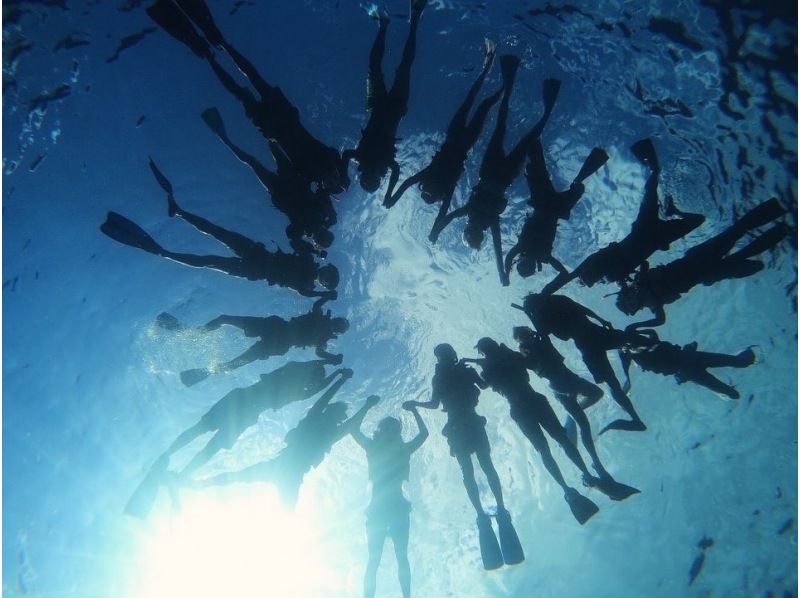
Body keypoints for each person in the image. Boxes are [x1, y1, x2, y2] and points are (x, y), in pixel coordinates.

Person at [146, 0, 349, 193]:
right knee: (253, 78)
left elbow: (289, 170)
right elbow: (344, 156)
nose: (330, 178)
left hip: (272, 126)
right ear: (337, 174)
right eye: (335, 178)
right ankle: (221, 45)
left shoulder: (309, 177)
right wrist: (342, 173)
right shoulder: (330, 158)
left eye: (330, 183)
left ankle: (208, 54)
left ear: (324, 186)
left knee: (240, 92)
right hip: (284, 115)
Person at [124, 362, 352, 518]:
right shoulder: (290, 373)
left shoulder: (293, 388)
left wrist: (335, 376)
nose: (311, 380)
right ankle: (172, 460)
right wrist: (334, 375)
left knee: (210, 442)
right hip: (241, 404)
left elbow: (315, 393)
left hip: (245, 411)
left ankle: (182, 474)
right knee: (203, 432)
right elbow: (317, 392)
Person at [100, 159, 339, 299]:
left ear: (323, 284)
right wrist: (314, 250)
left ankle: (164, 252)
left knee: (209, 260)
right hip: (257, 253)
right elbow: (295, 240)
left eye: (326, 281)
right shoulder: (309, 260)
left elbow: (305, 293)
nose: (323, 278)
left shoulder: (308, 286)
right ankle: (180, 212)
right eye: (328, 276)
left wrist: (322, 295)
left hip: (252, 269)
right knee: (217, 232)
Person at [473, 338, 638, 526]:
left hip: (519, 409)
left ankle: (567, 489)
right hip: (535, 400)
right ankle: (586, 474)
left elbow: (483, 384)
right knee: (563, 440)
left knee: (544, 450)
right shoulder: (510, 357)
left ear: (484, 352)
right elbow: (529, 362)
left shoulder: (488, 369)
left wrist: (481, 365)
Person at [428, 55, 561, 285]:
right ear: (476, 234)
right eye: (474, 235)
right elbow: (499, 252)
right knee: (511, 130)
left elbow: (452, 218)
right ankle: (518, 88)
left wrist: (437, 232)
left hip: (498, 174)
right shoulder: (483, 219)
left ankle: (522, 92)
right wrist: (502, 273)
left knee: (517, 133)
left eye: (471, 233)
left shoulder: (480, 217)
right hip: (494, 172)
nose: (474, 230)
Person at [404, 343, 524, 570]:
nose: (445, 358)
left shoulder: (445, 376)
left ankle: (490, 511)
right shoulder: (454, 374)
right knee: (477, 467)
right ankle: (492, 510)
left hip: (461, 424)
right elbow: (485, 385)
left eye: (444, 355)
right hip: (465, 422)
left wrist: (415, 404)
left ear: (442, 358)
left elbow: (434, 403)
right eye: (444, 355)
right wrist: (481, 365)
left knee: (473, 468)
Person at [542, 138, 705, 294]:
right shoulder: (612, 273)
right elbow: (576, 273)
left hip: (648, 232)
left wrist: (562, 283)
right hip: (653, 235)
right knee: (694, 218)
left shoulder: (607, 267)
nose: (594, 276)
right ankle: (672, 209)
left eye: (590, 276)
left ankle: (663, 190)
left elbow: (575, 273)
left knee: (656, 193)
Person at [383, 40, 502, 239]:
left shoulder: (444, 190)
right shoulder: (428, 178)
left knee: (483, 105)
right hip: (454, 136)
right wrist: (392, 199)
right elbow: (407, 185)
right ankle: (491, 69)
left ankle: (503, 82)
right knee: (472, 99)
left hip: (463, 141)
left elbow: (442, 212)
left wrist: (434, 232)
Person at [198, 377, 377, 508]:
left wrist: (366, 404)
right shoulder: (317, 420)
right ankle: (201, 484)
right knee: (242, 476)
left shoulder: (328, 431)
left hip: (287, 470)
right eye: (337, 414)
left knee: (247, 479)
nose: (337, 418)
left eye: (338, 416)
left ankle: (201, 484)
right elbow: (326, 401)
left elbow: (348, 422)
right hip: (283, 467)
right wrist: (342, 381)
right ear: (332, 413)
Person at [617, 198, 789, 329]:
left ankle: (777, 208)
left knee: (736, 232)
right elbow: (660, 320)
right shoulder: (652, 304)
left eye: (627, 299)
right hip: (706, 273)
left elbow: (644, 265)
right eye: (630, 304)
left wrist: (632, 281)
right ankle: (783, 229)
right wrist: (638, 326)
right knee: (744, 253)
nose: (631, 300)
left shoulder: (641, 281)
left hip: (696, 259)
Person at [200, 107, 336, 258]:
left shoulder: (323, 215)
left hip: (290, 183)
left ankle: (254, 116)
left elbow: (322, 193)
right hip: (281, 188)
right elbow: (292, 236)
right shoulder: (305, 227)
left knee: (270, 146)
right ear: (317, 238)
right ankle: (228, 137)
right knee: (256, 160)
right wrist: (313, 249)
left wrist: (322, 230)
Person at [521, 292, 651, 434]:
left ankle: (635, 419)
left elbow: (546, 334)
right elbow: (582, 309)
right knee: (634, 343)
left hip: (587, 345)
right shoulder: (557, 300)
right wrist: (601, 320)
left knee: (613, 383)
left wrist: (531, 315)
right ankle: (635, 418)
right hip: (596, 332)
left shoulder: (543, 316)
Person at [159, 298, 349, 386]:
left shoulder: (323, 335)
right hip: (277, 330)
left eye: (338, 326)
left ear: (336, 329)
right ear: (335, 321)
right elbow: (316, 306)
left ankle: (208, 370)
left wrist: (332, 357)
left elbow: (320, 352)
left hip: (278, 337)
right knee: (225, 318)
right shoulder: (320, 319)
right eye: (338, 322)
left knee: (241, 356)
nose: (336, 324)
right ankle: (193, 335)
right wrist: (324, 298)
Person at [341, 1, 427, 194]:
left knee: (378, 65)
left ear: (363, 176)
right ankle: (412, 24)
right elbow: (395, 171)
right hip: (394, 107)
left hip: (378, 104)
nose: (369, 176)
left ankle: (385, 26)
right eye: (372, 180)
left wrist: (343, 174)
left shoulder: (361, 157)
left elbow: (346, 154)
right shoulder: (380, 161)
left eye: (365, 179)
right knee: (403, 67)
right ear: (376, 178)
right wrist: (389, 194)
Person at [512, 326, 618, 480]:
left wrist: (536, 337)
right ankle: (595, 462)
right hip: (559, 384)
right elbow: (526, 362)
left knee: (596, 395)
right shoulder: (526, 350)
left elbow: (544, 337)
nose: (524, 336)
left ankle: (572, 416)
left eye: (524, 333)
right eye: (520, 336)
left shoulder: (540, 339)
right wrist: (525, 349)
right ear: (520, 339)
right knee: (583, 424)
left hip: (569, 378)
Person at [350, 400, 428, 598]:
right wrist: (415, 410)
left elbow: (353, 429)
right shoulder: (385, 448)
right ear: (382, 431)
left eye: (393, 428)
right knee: (382, 559)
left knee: (386, 558)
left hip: (386, 508)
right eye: (389, 428)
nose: (391, 431)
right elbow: (353, 430)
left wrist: (367, 406)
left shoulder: (377, 447)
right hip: (390, 508)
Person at [504, 140, 608, 281]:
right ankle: (534, 139)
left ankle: (534, 139)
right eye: (529, 265)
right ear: (533, 265)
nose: (527, 262)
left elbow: (562, 272)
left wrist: (506, 274)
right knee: (538, 167)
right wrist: (506, 273)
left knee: (543, 170)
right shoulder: (535, 253)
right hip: (548, 205)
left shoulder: (531, 251)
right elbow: (561, 270)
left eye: (524, 264)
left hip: (552, 207)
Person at [619, 337, 756, 399]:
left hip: (688, 368)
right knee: (737, 362)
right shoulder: (646, 352)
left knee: (727, 388)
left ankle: (731, 392)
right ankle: (746, 359)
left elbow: (664, 360)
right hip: (690, 360)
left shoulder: (643, 356)